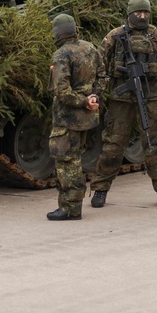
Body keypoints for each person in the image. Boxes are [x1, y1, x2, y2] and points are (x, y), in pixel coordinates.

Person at [89, 0, 157, 208]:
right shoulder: (114, 36)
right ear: (130, 14)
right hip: (120, 99)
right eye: (138, 13)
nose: (142, 16)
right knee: (113, 144)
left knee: (155, 143)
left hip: (152, 98)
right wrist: (99, 94)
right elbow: (99, 66)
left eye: (146, 13)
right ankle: (100, 189)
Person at [45, 14, 105, 222]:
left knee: (66, 162)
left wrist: (82, 101)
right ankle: (72, 205)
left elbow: (62, 91)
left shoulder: (61, 55)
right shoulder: (90, 48)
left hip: (68, 118)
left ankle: (70, 208)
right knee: (75, 159)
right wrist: (94, 97)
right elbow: (103, 76)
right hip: (87, 117)